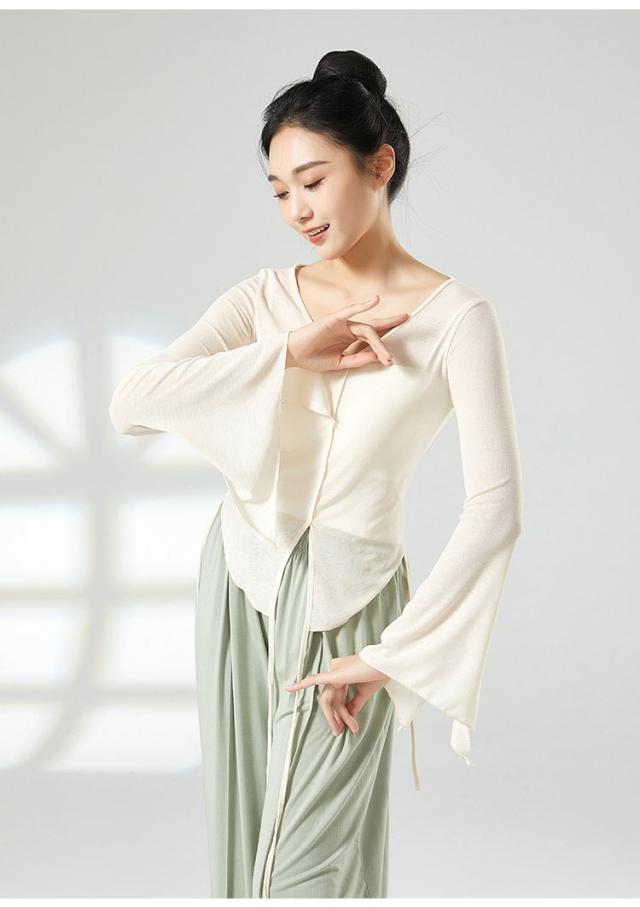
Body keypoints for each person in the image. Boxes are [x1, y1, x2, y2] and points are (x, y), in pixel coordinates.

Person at [108, 49, 523, 899]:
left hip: (351, 598)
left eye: (312, 180)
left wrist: (396, 653)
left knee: (305, 871)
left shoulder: (458, 319)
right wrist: (290, 353)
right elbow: (131, 402)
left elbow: (496, 507)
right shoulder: (262, 300)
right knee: (243, 847)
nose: (296, 209)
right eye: (278, 190)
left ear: (380, 164)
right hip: (240, 579)